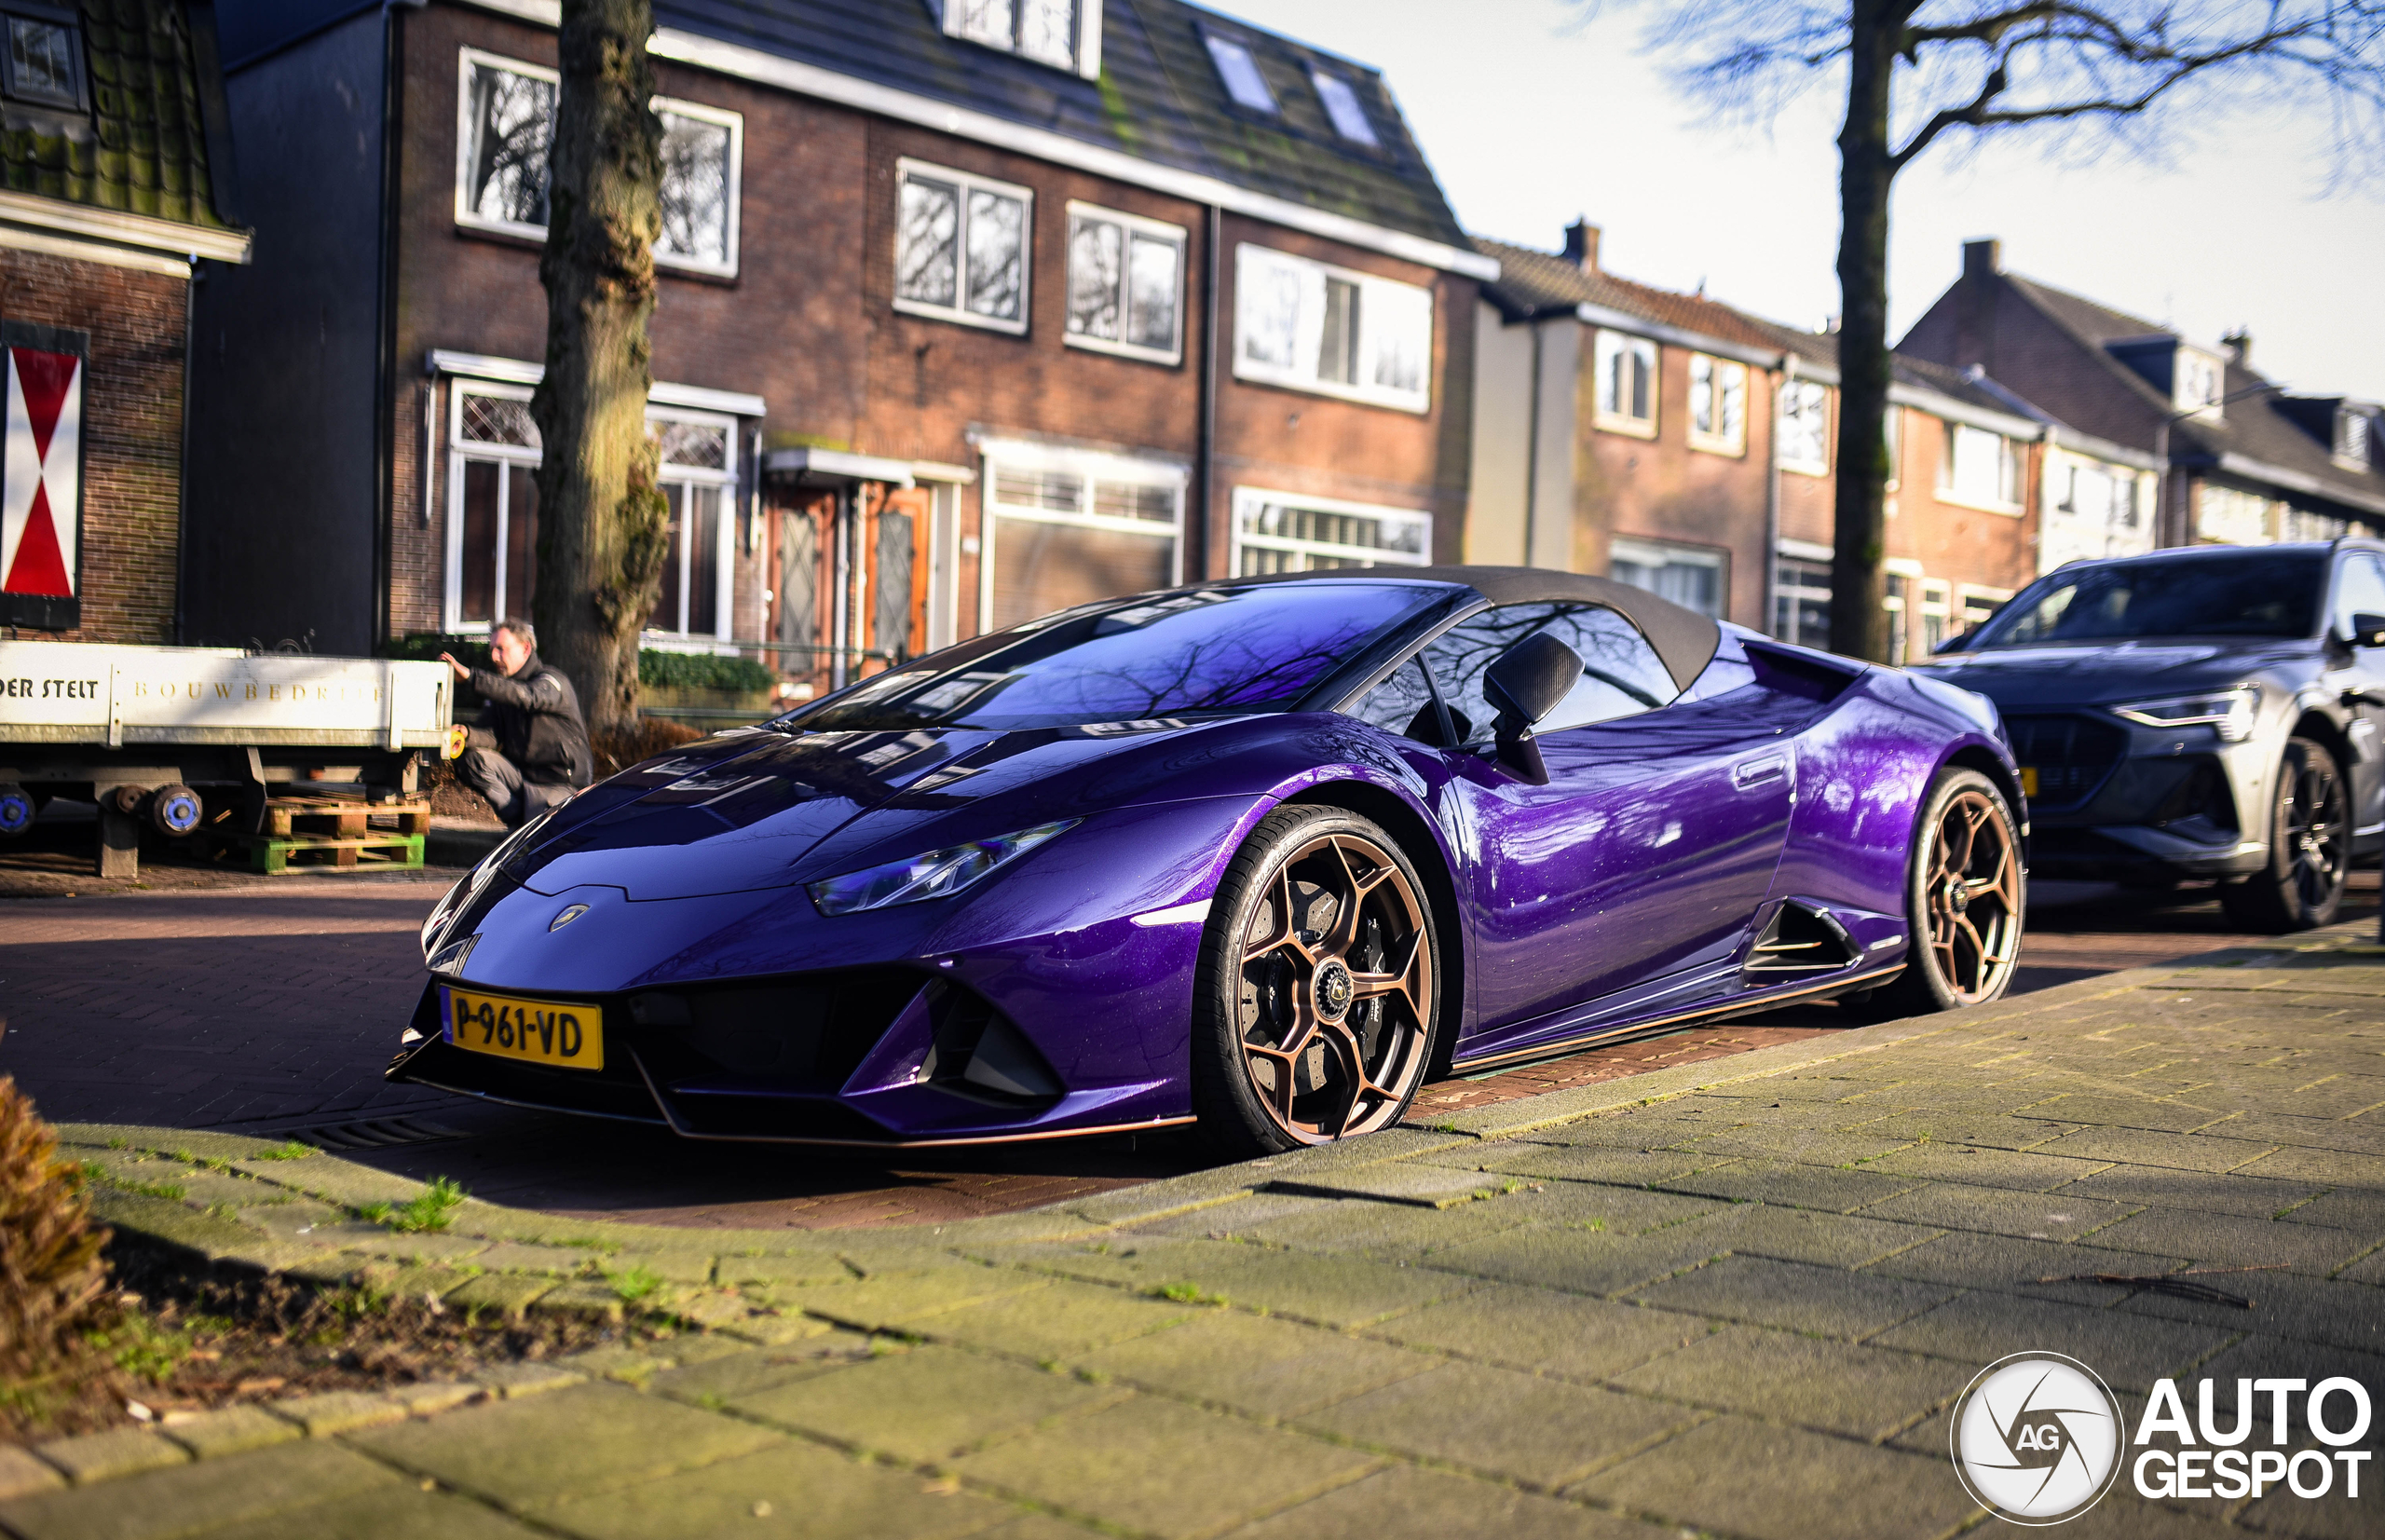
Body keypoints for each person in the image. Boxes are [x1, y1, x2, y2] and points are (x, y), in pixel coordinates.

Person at [439, 620, 593, 827]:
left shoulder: (551, 680)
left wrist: (471, 677)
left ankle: (527, 827)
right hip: (523, 780)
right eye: (492, 649)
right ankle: (518, 825)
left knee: (540, 829)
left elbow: (528, 697)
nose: (494, 657)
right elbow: (492, 735)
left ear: (526, 648)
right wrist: (467, 733)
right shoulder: (502, 689)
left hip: (561, 784)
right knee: (472, 760)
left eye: (501, 649)